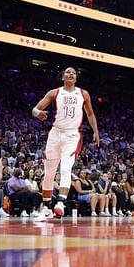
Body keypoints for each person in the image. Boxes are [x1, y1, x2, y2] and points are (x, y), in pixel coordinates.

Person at [32, 67, 99, 221]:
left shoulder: (83, 94)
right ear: (62, 77)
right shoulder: (54, 92)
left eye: (73, 73)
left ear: (76, 78)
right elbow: (34, 109)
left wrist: (95, 131)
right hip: (55, 134)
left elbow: (90, 113)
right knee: (49, 174)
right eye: (68, 72)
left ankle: (61, 203)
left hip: (72, 135)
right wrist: (38, 113)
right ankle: (47, 209)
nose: (70, 74)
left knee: (66, 168)